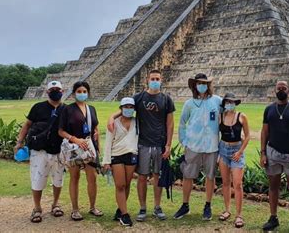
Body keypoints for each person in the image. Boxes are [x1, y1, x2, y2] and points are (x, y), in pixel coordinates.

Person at [107, 69, 175, 222]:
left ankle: (157, 207)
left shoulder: (166, 99)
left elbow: (170, 124)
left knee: (158, 176)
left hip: (160, 143)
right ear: (147, 80)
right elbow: (126, 107)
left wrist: (169, 145)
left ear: (161, 80)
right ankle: (142, 207)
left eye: (157, 78)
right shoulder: (139, 97)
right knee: (142, 177)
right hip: (143, 143)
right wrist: (112, 116)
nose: (155, 81)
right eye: (152, 78)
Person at [14, 80, 66, 223]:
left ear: (63, 91)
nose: (55, 91)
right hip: (40, 150)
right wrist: (19, 142)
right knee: (37, 180)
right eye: (52, 89)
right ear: (47, 92)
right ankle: (37, 208)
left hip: (59, 150)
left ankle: (55, 204)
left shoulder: (66, 109)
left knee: (58, 180)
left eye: (58, 89)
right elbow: (27, 125)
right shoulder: (38, 107)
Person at [173, 73, 222, 221]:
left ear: (208, 85)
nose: (202, 85)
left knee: (210, 176)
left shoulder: (217, 101)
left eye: (204, 83)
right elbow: (182, 123)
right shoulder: (189, 103)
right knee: (188, 176)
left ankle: (207, 205)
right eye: (199, 83)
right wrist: (184, 141)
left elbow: (227, 118)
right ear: (195, 85)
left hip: (211, 146)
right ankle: (185, 205)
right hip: (193, 145)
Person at [260, 81, 289, 233]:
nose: (281, 90)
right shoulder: (269, 109)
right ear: (274, 91)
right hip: (272, 152)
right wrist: (263, 153)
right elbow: (264, 132)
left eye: (284, 88)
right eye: (278, 88)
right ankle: (273, 218)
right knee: (273, 186)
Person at [58, 81, 103, 221]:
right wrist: (75, 139)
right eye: (79, 91)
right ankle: (75, 209)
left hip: (89, 148)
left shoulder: (92, 109)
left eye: (84, 91)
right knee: (75, 177)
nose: (82, 94)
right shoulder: (68, 109)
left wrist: (98, 148)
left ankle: (92, 207)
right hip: (74, 148)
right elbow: (60, 131)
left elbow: (96, 129)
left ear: (88, 93)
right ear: (74, 93)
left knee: (92, 178)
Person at [102, 97, 139, 227]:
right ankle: (125, 214)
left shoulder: (137, 122)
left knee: (127, 184)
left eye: (131, 107)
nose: (128, 109)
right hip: (117, 155)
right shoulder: (114, 123)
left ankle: (120, 209)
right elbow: (108, 142)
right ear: (121, 108)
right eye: (125, 107)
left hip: (132, 154)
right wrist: (106, 161)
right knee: (120, 185)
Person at [218, 93, 250, 228]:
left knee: (237, 184)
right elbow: (216, 134)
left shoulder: (241, 116)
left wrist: (240, 152)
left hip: (237, 150)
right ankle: (227, 210)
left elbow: (248, 136)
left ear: (235, 103)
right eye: (227, 102)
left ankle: (239, 215)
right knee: (225, 182)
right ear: (224, 103)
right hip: (223, 149)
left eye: (232, 102)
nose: (229, 104)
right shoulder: (221, 116)